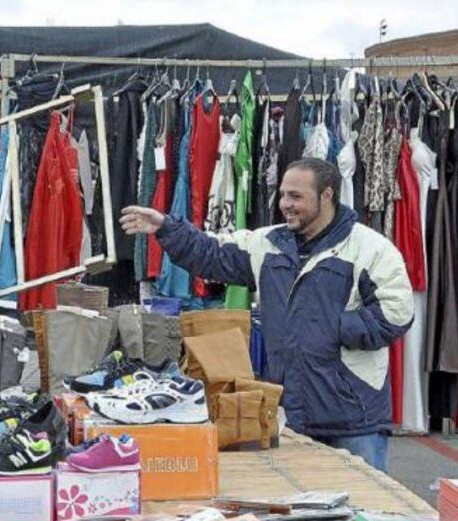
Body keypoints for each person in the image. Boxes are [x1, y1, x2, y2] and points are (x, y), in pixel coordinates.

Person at [120, 158, 413, 471]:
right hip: (291, 411)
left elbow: (397, 312)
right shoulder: (268, 244)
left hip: (355, 417)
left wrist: (333, 328)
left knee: (367, 511)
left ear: (327, 195)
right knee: (300, 512)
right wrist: (166, 228)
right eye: (284, 195)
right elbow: (213, 254)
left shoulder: (370, 248)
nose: (286, 204)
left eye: (296, 197)